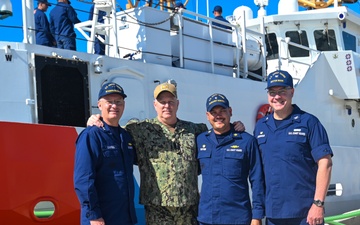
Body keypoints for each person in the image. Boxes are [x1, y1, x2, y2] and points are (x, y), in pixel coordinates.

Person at [87, 82, 245, 224]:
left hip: (188, 208)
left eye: (171, 102)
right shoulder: (138, 129)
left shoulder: (196, 130)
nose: (166, 106)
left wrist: (234, 127)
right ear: (155, 105)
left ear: (178, 104)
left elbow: (217, 137)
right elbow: (114, 130)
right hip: (157, 208)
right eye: (162, 102)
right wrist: (94, 119)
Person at [253, 70, 333, 225]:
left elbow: (326, 163)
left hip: (305, 214)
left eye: (282, 91)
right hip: (273, 213)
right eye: (272, 92)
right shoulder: (261, 127)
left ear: (292, 92)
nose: (277, 97)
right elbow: (257, 170)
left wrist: (318, 204)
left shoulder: (309, 123)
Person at [74, 82, 137, 225]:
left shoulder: (125, 137)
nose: (114, 106)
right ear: (100, 105)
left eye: (118, 102)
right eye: (109, 101)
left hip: (124, 217)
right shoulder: (91, 135)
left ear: (124, 105)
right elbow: (84, 179)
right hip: (101, 219)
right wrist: (94, 215)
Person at [197, 93, 265, 225]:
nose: (218, 116)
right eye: (213, 112)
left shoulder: (247, 141)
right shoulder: (201, 140)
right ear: (207, 116)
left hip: (237, 218)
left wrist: (257, 216)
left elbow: (257, 180)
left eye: (222, 111)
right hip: (207, 218)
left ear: (230, 111)